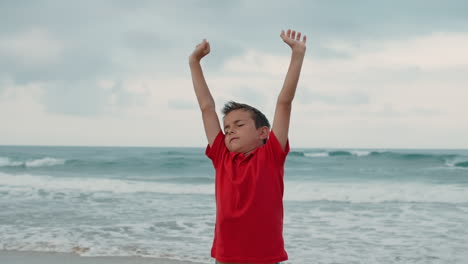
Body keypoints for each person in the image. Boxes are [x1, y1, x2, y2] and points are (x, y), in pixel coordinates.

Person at [189, 29, 306, 264]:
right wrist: (194, 62)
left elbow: (284, 102)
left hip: (264, 257)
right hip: (226, 256)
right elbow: (206, 108)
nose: (230, 130)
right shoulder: (222, 156)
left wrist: (297, 54)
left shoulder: (271, 155)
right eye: (227, 127)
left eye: (239, 124)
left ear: (263, 133)